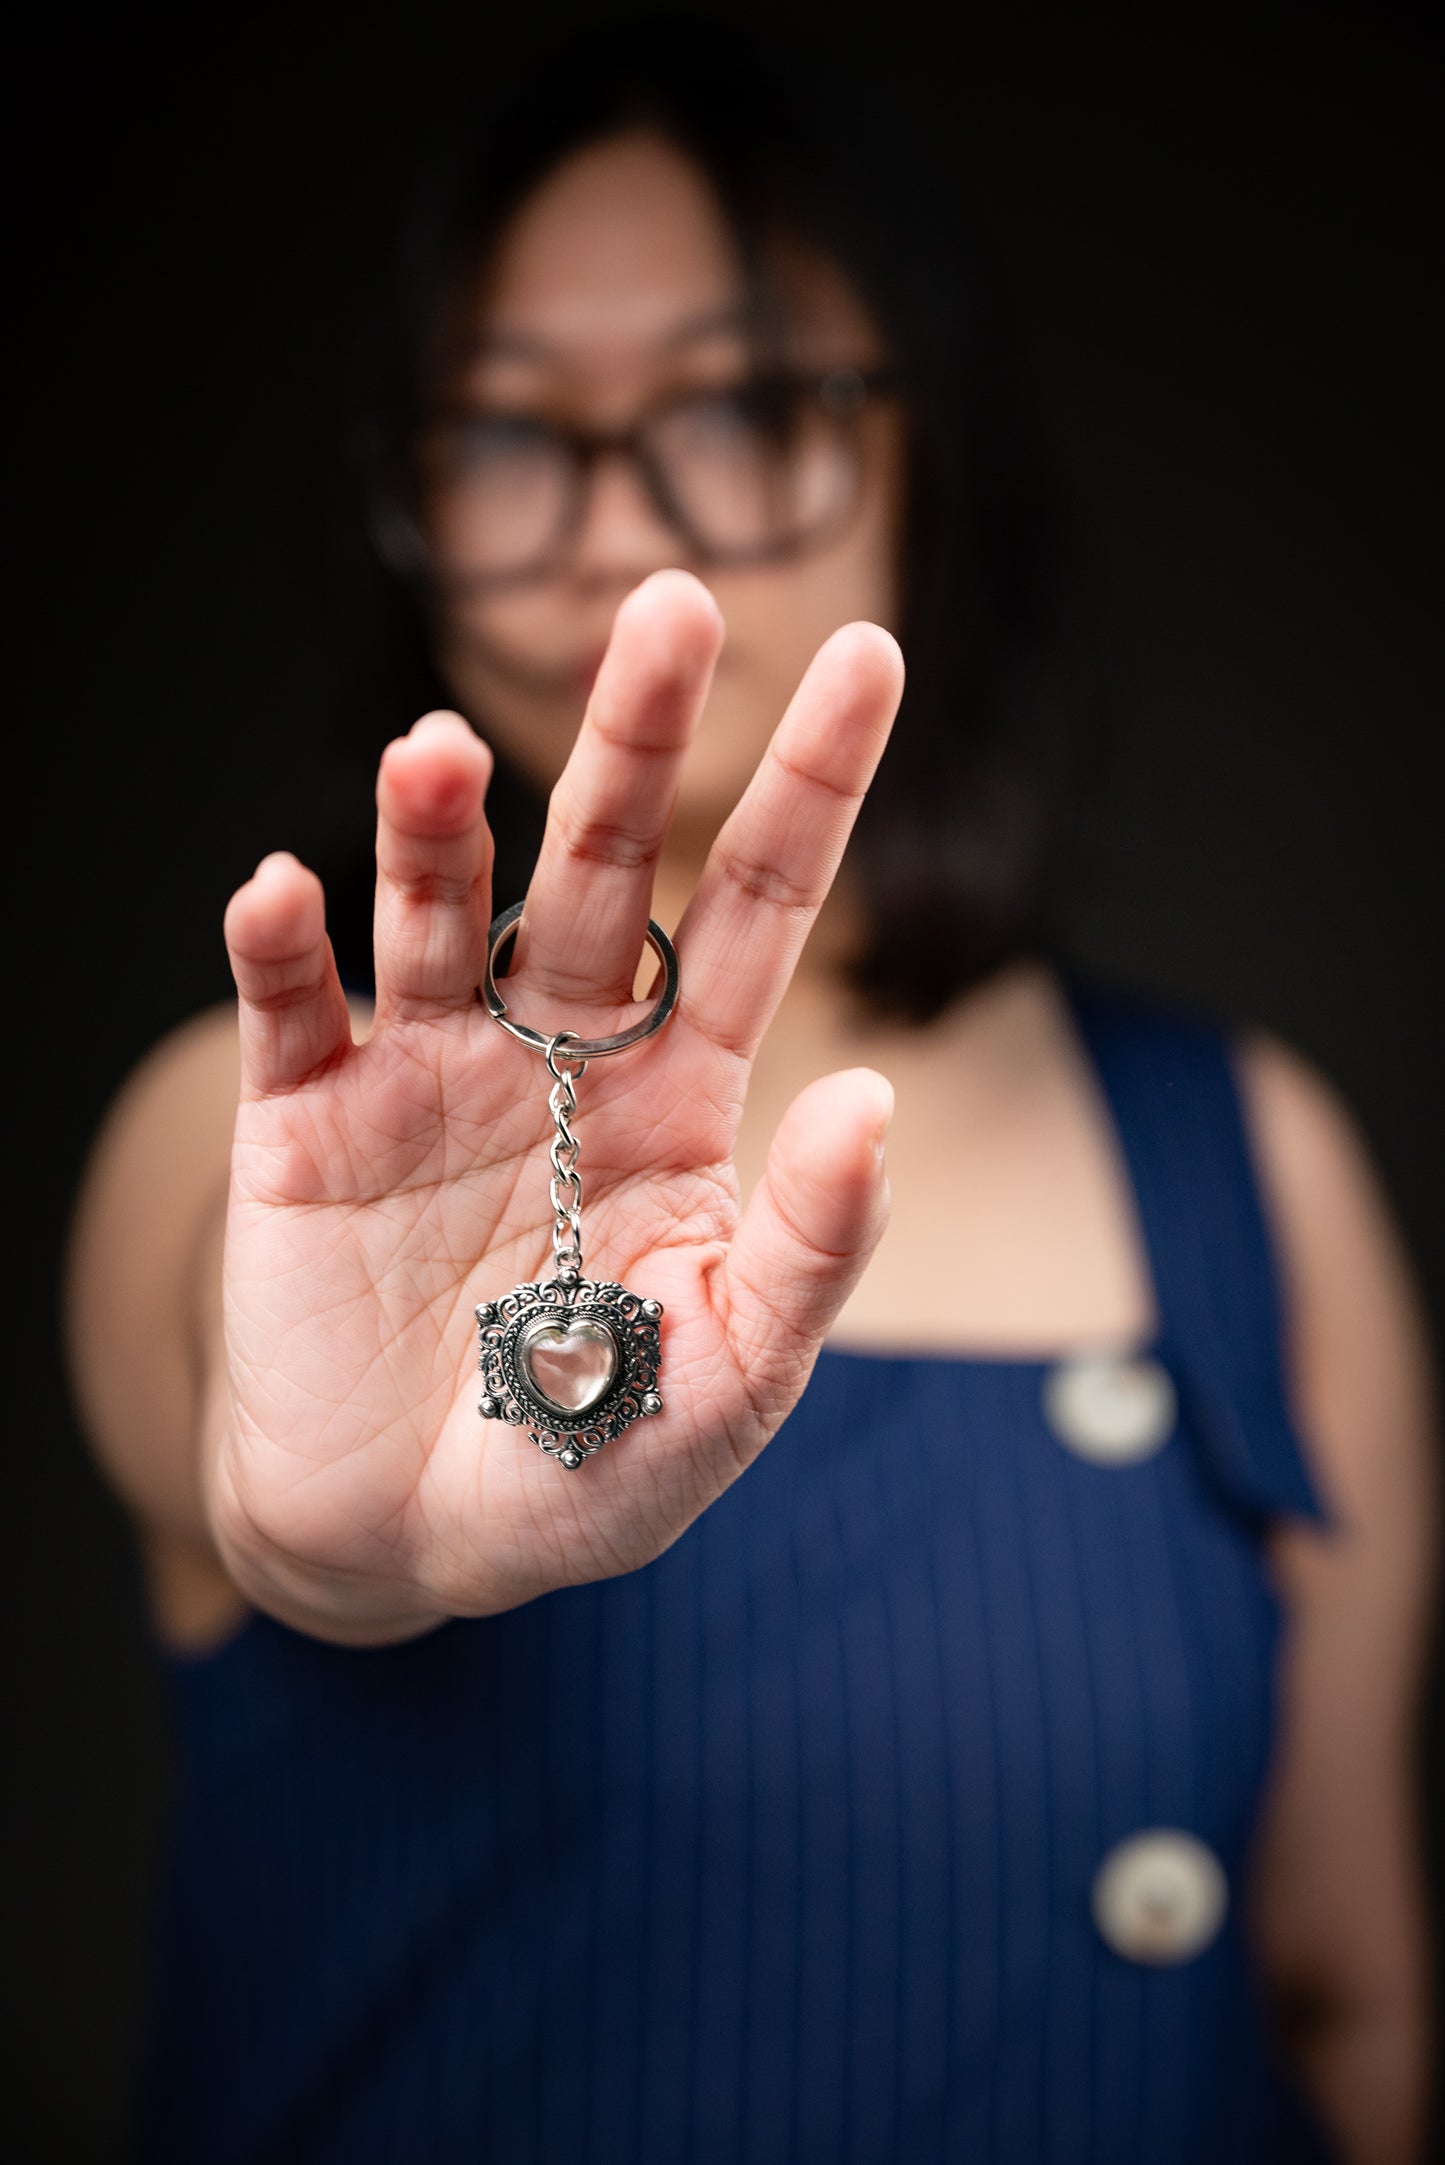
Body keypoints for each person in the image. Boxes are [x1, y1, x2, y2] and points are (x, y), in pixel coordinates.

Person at [63, 25, 1436, 2165]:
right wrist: (338, 1533)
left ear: (924, 460)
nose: (625, 522)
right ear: (415, 510)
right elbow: (265, 1457)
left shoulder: (1253, 1166)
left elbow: (1345, 1998)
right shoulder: (237, 1146)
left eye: (738, 401)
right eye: (514, 431)